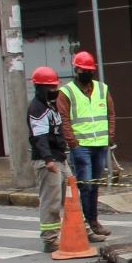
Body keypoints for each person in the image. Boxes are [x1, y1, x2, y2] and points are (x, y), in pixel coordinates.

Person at [56, 51, 114, 241]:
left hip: (100, 145)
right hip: (81, 146)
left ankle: (93, 221)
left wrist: (109, 136)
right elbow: (64, 118)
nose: (86, 73)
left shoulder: (102, 89)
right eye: (83, 70)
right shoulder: (67, 92)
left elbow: (111, 114)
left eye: (89, 70)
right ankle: (86, 224)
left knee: (94, 185)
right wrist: (72, 141)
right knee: (86, 185)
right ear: (76, 69)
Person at [28, 66, 70, 252]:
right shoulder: (37, 108)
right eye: (50, 88)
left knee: (71, 196)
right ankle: (50, 239)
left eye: (55, 87)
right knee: (51, 201)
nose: (54, 91)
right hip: (48, 161)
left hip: (60, 157)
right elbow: (39, 137)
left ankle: (78, 230)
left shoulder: (51, 105)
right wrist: (48, 159)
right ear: (40, 88)